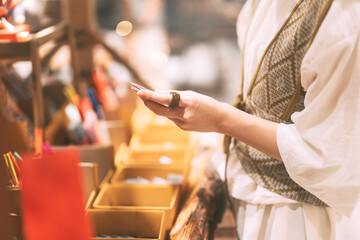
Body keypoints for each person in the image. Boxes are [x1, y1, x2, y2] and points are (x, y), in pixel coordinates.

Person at [137, 0, 360, 239]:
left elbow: (327, 155)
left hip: (298, 220)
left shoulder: (342, 16)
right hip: (250, 200)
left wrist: (222, 119)